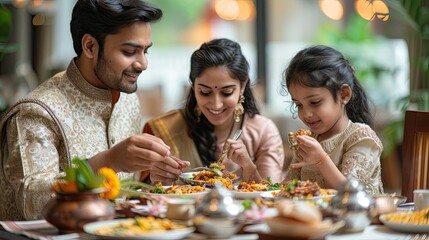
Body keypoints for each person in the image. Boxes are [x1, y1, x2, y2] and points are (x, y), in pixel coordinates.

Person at [0, 0, 189, 220]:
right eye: (130, 51)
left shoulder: (128, 102)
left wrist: (150, 177)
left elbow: (121, 197)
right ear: (90, 46)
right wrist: (107, 161)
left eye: (146, 51)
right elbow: (31, 205)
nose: (143, 63)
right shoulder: (37, 112)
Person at [142, 38, 285, 184]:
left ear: (242, 87)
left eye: (227, 92)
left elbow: (273, 195)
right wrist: (154, 181)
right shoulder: (162, 130)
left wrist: (248, 166)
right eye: (205, 92)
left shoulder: (263, 131)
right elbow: (139, 198)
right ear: (193, 86)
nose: (216, 105)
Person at [281, 45, 384, 195]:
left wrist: (321, 160)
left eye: (315, 102)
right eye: (298, 105)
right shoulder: (308, 141)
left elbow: (352, 193)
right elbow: (286, 189)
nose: (306, 113)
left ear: (343, 94)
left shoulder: (361, 137)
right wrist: (251, 169)